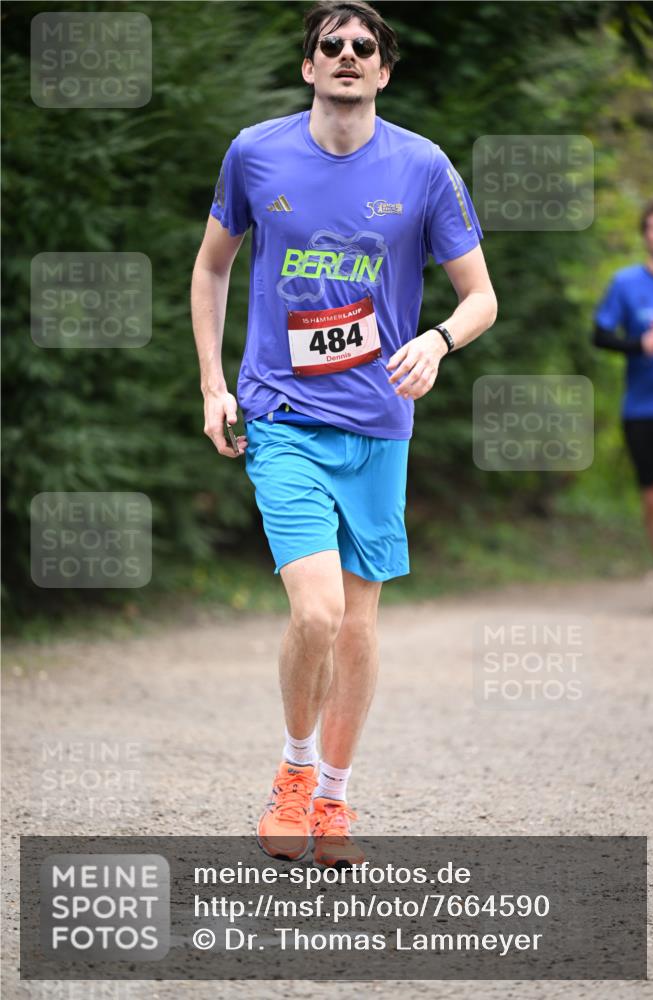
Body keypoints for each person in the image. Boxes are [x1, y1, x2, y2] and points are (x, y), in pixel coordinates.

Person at [191, 0, 497, 866]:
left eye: (365, 47)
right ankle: (291, 776)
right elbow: (211, 268)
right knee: (318, 612)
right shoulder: (256, 152)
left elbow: (481, 296)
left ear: (384, 70)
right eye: (332, 45)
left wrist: (436, 341)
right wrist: (215, 384)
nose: (348, 55)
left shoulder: (424, 167)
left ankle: (332, 800)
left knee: (359, 627)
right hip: (282, 416)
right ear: (309, 65)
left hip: (379, 426)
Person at [593, 198, 653, 611]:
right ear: (646, 235)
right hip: (641, 407)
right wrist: (641, 344)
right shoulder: (626, 284)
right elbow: (600, 335)